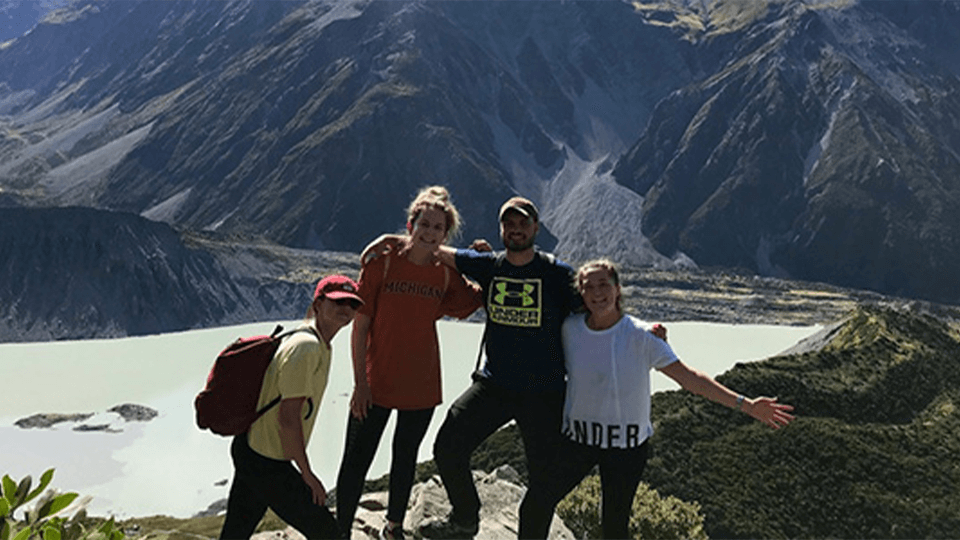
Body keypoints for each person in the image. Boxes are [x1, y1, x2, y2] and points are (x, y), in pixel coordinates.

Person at [520, 259, 797, 539]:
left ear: (617, 288)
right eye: (588, 286)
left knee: (614, 528)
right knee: (536, 504)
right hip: (578, 441)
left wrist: (746, 405)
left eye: (603, 284)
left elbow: (690, 379)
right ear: (580, 293)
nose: (596, 292)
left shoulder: (642, 336)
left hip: (626, 449)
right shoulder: (570, 328)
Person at [363, 195, 580, 539]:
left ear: (536, 228)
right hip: (496, 385)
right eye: (509, 223)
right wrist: (394, 239)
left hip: (544, 392)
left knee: (542, 480)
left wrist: (642, 336)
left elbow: (599, 306)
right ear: (501, 229)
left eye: (523, 223)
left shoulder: (556, 273)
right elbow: (433, 248)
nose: (516, 229)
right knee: (448, 446)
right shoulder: (489, 265)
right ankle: (465, 520)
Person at [336, 186, 483, 540]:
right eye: (424, 224)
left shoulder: (444, 272)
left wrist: (480, 261)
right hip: (376, 382)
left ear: (445, 235)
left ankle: (394, 527)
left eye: (437, 228)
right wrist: (360, 383)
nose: (430, 233)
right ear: (410, 224)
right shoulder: (383, 263)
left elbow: (471, 300)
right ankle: (339, 532)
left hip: (421, 383)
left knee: (405, 458)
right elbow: (360, 327)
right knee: (356, 460)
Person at [219, 275, 363, 540]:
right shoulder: (307, 348)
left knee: (237, 531)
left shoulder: (310, 338)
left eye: (353, 304)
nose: (347, 309)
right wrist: (307, 475)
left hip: (251, 448)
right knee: (326, 532)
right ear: (318, 304)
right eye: (338, 302)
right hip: (268, 461)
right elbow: (288, 419)